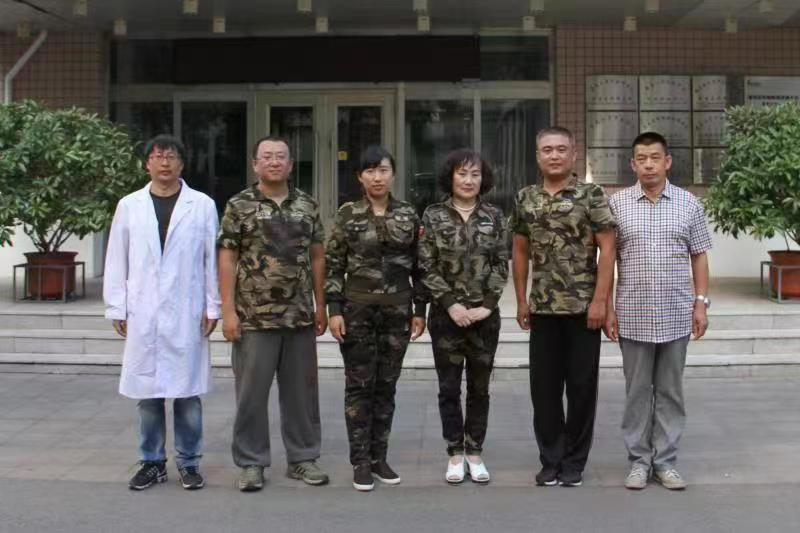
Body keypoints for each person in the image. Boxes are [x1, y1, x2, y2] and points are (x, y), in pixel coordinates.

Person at [104, 134, 220, 491]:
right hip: (144, 311)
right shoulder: (129, 205)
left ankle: (189, 462)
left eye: (171, 156)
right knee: (149, 395)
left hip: (187, 309)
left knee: (187, 394)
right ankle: (152, 462)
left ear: (182, 163)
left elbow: (211, 259)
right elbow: (117, 257)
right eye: (158, 156)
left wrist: (212, 304)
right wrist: (117, 306)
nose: (165, 162)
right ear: (147, 164)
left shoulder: (202, 205)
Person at [218, 136, 329, 492]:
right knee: (251, 396)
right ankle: (252, 463)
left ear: (291, 164)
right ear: (255, 164)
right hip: (253, 318)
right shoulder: (239, 205)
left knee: (301, 395)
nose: (274, 162)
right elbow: (227, 257)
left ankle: (303, 458)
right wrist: (228, 311)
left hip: (299, 316)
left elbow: (317, 257)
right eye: (267, 156)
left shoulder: (307, 205)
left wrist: (321, 305)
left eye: (281, 156)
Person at [605, 132, 712, 491]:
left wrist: (701, 302)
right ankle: (639, 461)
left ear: (667, 162)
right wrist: (608, 307)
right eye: (642, 159)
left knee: (670, 392)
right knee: (636, 392)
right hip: (633, 313)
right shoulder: (617, 204)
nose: (648, 165)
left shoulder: (689, 204)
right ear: (632, 164)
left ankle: (665, 462)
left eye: (655, 158)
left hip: (676, 313)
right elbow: (608, 260)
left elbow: (699, 255)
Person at [511, 126, 616, 488]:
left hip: (583, 310)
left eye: (560, 149)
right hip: (542, 309)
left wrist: (601, 301)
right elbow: (520, 250)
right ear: (537, 156)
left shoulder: (591, 195)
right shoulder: (525, 198)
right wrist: (521, 298)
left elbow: (607, 249)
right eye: (547, 150)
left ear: (574, 155)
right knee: (544, 390)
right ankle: (550, 459)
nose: (554, 155)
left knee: (582, 389)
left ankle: (574, 461)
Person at [326, 145, 427, 492]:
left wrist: (420, 310)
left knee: (386, 386)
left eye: (383, 170)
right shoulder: (347, 214)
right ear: (360, 177)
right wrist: (334, 310)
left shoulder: (408, 214)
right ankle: (360, 461)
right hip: (358, 311)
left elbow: (420, 266)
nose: (377, 177)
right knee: (359, 387)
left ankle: (379, 457)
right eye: (370, 171)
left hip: (397, 312)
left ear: (393, 174)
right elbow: (334, 265)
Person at [418, 149, 508, 485]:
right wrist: (451, 304)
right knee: (449, 388)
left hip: (484, 318)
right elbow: (426, 264)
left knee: (480, 389)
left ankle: (475, 452)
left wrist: (487, 304)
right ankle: (455, 452)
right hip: (446, 318)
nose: (469, 180)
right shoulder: (433, 215)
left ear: (483, 180)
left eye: (475, 174)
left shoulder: (495, 216)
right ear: (450, 177)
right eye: (462, 173)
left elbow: (501, 263)